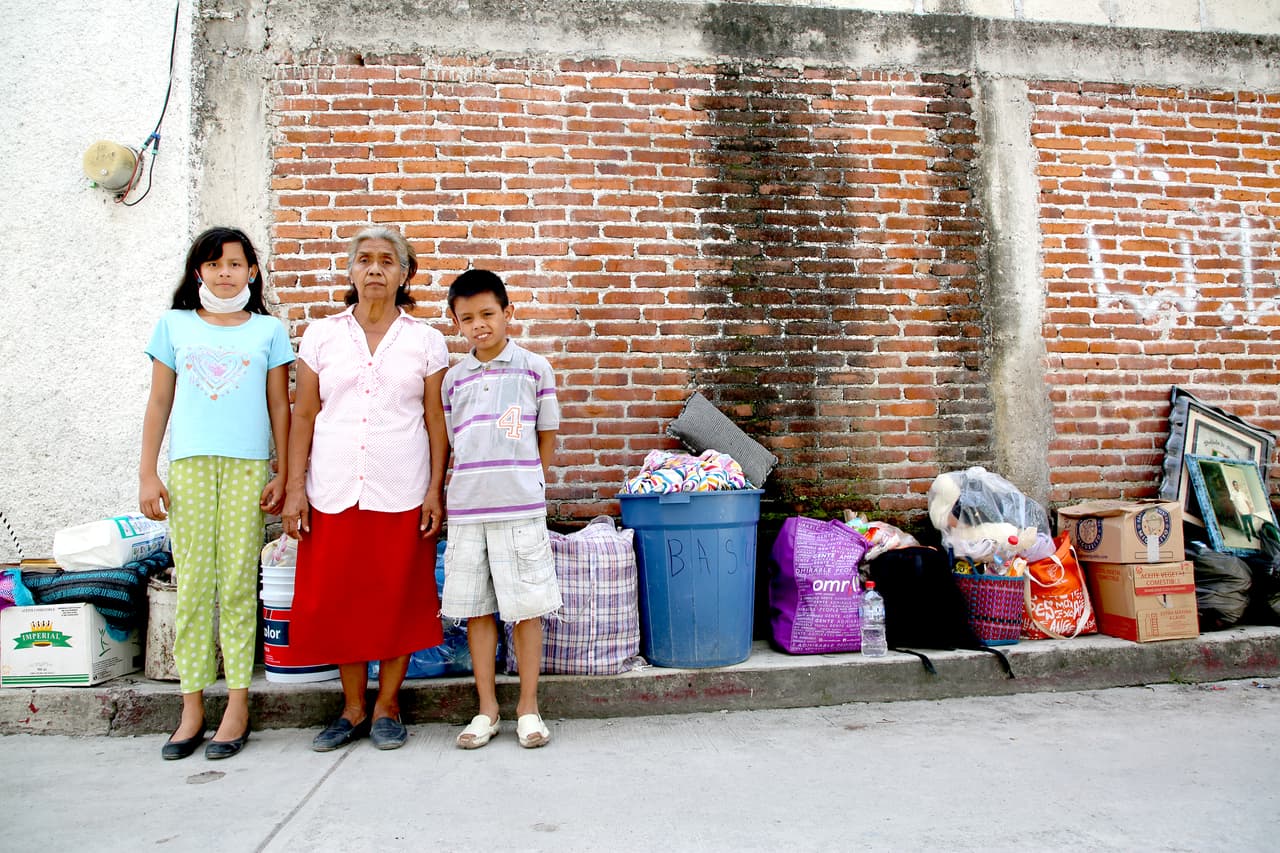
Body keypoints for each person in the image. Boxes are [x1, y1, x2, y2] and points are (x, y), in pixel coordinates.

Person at [282, 226, 448, 752]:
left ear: (405, 274)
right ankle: (352, 708)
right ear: (350, 272)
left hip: (402, 485)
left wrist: (435, 490)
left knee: (398, 596)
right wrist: (292, 488)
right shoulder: (322, 335)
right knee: (340, 599)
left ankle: (387, 705)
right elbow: (303, 412)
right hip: (331, 487)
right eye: (364, 260)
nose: (374, 269)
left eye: (386, 261)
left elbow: (435, 420)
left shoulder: (426, 340)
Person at [139, 226, 293, 761]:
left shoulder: (269, 330)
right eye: (213, 264)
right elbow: (160, 402)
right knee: (195, 585)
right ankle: (191, 706)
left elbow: (281, 408)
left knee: (234, 584)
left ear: (252, 270)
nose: (224, 272)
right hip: (189, 467)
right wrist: (147, 472)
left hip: (249, 467)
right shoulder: (173, 325)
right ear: (198, 272)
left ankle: (237, 704)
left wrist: (285, 472)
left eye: (235, 263)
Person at [441, 269, 562, 750]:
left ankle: (528, 708)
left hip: (520, 507)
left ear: (508, 313)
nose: (479, 325)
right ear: (456, 322)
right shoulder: (453, 380)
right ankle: (486, 709)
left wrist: (531, 478)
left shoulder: (535, 369)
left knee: (526, 608)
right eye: (467, 318)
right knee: (477, 610)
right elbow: (454, 441)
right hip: (468, 509)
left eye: (488, 314)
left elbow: (546, 434)